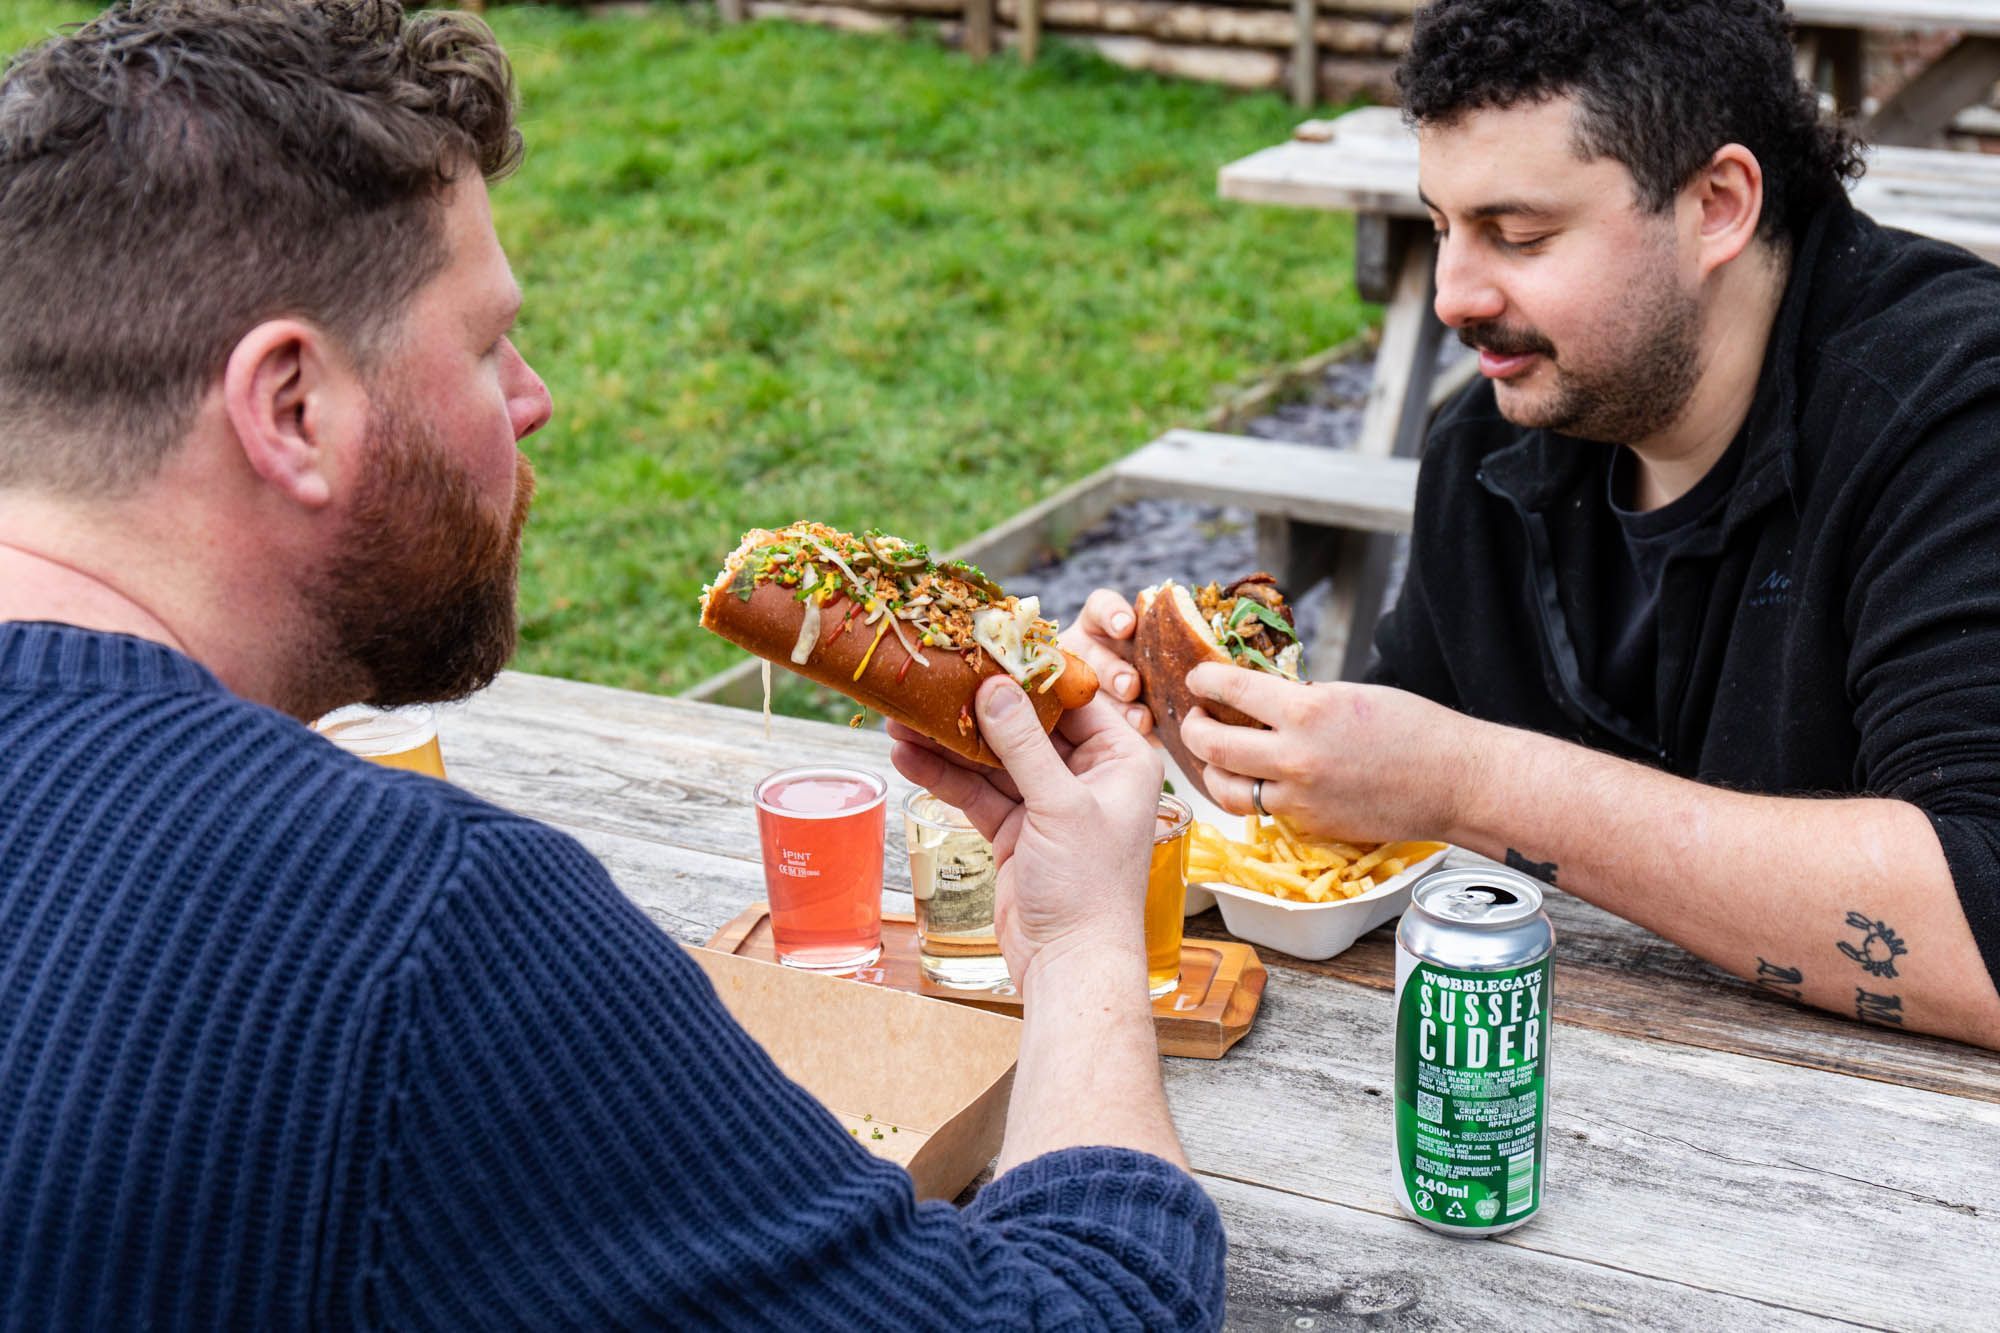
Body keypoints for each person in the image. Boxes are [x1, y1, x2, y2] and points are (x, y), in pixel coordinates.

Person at [0, 2, 1223, 1326]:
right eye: (482, 345)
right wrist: (1088, 934)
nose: (532, 398)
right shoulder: (424, 930)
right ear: (292, 408)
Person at [1067, 0, 2000, 1049]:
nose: (1454, 295)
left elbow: (1982, 922)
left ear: (1716, 204)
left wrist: (1474, 782)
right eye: (1439, 227)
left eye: (1517, 234)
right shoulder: (1491, 442)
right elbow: (1376, 809)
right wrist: (1199, 725)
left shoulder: (1953, 411)